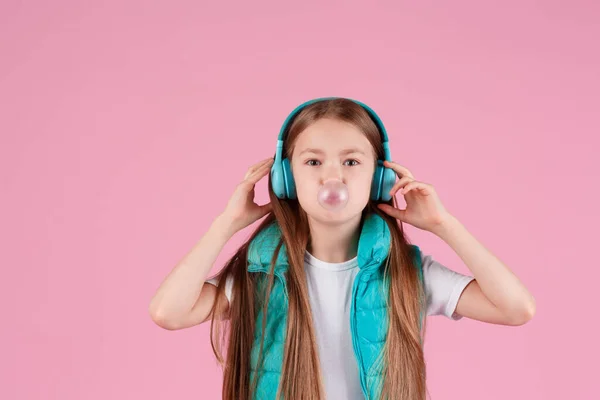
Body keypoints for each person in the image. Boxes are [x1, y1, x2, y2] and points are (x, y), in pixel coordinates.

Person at [148, 97, 536, 400]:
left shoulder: (407, 272)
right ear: (285, 179)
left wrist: (444, 225)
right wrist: (226, 224)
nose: (332, 176)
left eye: (351, 161)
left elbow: (515, 308)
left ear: (378, 178)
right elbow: (169, 311)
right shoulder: (259, 274)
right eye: (313, 161)